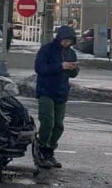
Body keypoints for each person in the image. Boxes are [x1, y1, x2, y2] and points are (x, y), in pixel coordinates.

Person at [32, 25, 80, 169]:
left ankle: (50, 151)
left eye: (69, 41)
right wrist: (60, 66)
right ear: (59, 38)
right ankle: (41, 149)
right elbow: (40, 68)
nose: (66, 43)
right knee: (47, 121)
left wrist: (73, 69)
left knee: (58, 125)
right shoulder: (47, 50)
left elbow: (73, 73)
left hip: (61, 92)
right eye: (64, 40)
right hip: (46, 90)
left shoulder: (71, 53)